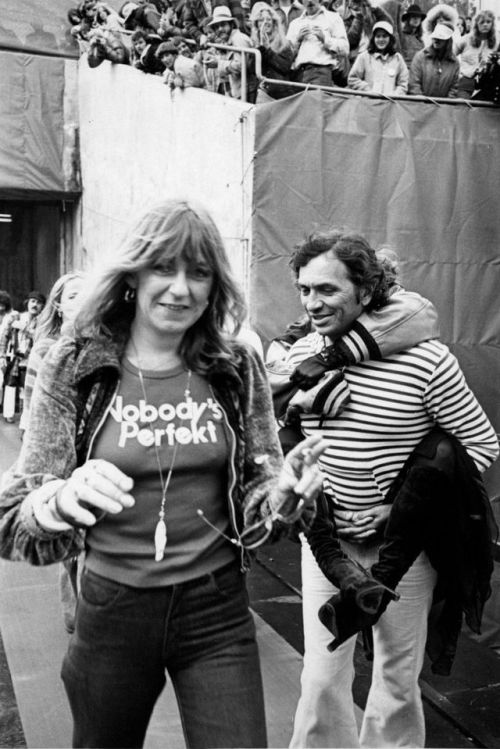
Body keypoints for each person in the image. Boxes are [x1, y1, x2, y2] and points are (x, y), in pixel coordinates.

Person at [0, 199, 326, 749]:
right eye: (163, 267)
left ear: (214, 284)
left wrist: (286, 495)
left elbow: (259, 487)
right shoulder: (77, 364)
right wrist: (57, 500)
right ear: (133, 274)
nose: (181, 288)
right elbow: (13, 515)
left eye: (198, 272)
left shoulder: (233, 367)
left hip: (216, 610)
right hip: (112, 610)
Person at [286, 230, 498, 748]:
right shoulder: (306, 353)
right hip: (327, 542)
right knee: (319, 675)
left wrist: (395, 509)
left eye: (327, 290)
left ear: (366, 290)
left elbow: (481, 443)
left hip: (403, 547)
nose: (312, 303)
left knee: (397, 681)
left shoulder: (428, 361)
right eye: (303, 289)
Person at [0, 290, 46, 423]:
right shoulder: (17, 317)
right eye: (33, 301)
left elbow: (40, 336)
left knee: (29, 386)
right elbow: (4, 338)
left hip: (32, 358)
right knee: (10, 384)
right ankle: (8, 414)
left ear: (43, 306)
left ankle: (27, 417)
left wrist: (25, 329)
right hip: (15, 356)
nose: (35, 305)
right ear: (27, 303)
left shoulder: (43, 322)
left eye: (39, 303)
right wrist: (2, 356)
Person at [286, 0, 349, 87]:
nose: (310, 1)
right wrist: (297, 40)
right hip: (298, 74)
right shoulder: (295, 23)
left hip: (321, 72)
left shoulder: (333, 18)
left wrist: (325, 39)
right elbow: (286, 55)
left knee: (316, 99)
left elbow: (345, 48)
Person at [202, 6, 256, 100]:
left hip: (248, 91)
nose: (219, 29)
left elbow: (241, 65)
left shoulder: (238, 38)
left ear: (231, 25)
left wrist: (218, 63)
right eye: (216, 27)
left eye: (223, 25)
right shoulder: (228, 41)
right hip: (241, 90)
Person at [249, 1, 295, 102]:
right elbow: (252, 69)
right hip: (262, 93)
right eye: (261, 20)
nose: (266, 22)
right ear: (256, 25)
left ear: (274, 22)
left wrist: (268, 49)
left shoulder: (284, 43)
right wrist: (260, 47)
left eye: (268, 19)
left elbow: (285, 67)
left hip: (281, 95)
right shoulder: (254, 44)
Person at [347, 20, 408, 95]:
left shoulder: (398, 59)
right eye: (378, 36)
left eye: (384, 36)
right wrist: (367, 89)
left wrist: (395, 94)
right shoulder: (364, 57)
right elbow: (352, 79)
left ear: (390, 38)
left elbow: (403, 84)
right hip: (368, 102)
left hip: (390, 103)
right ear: (373, 39)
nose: (381, 39)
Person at [409, 22, 459, 98]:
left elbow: (454, 88)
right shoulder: (420, 57)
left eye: (441, 38)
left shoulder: (454, 63)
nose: (436, 40)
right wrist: (421, 101)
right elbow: (414, 84)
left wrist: (446, 105)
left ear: (448, 41)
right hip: (420, 106)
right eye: (435, 37)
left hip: (444, 108)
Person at [456, 10, 497, 99]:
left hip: (485, 86)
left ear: (492, 23)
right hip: (465, 83)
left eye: (488, 22)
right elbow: (450, 55)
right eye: (482, 22)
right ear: (476, 24)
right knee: (462, 108)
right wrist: (457, 73)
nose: (485, 24)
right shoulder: (466, 39)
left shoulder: (497, 42)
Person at [342, 0, 394, 66]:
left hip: (376, 57)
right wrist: (359, 18)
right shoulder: (347, 20)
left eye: (358, 3)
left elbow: (388, 25)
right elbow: (351, 41)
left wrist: (376, 10)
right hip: (356, 60)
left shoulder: (374, 16)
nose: (355, 5)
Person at [399, 2, 425, 67]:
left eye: (418, 16)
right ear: (408, 19)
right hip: (404, 71)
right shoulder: (401, 36)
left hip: (418, 73)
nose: (416, 19)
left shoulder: (421, 42)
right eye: (413, 16)